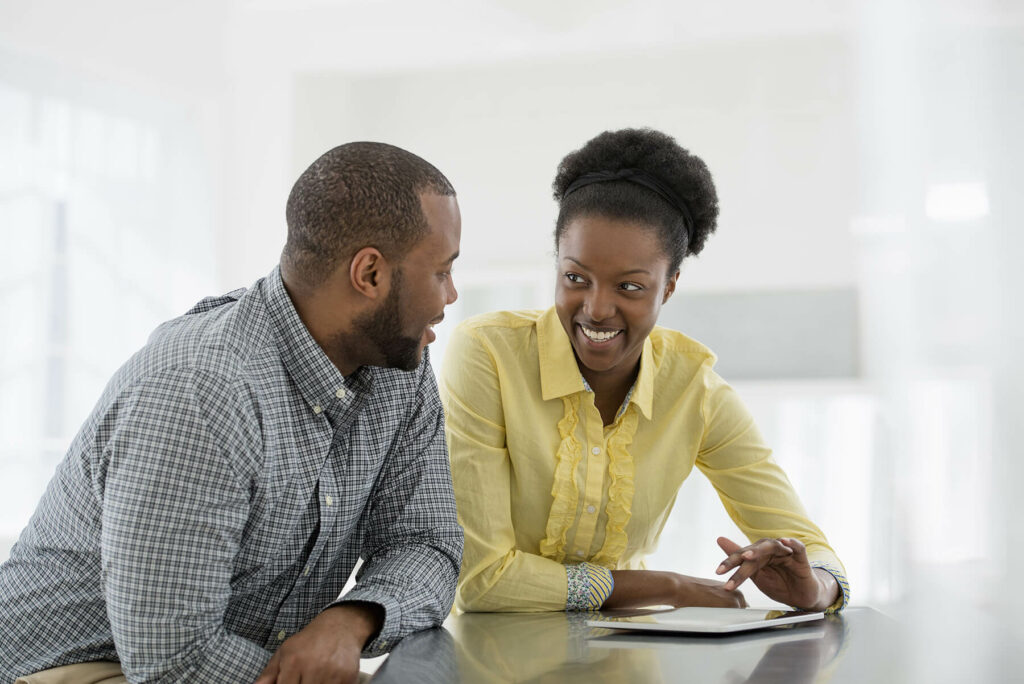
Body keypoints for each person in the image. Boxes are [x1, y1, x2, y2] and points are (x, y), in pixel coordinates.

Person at [0, 142, 465, 683]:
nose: (451, 295)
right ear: (370, 274)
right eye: (442, 272)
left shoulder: (398, 366)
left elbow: (427, 543)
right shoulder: (201, 390)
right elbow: (172, 663)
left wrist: (352, 617)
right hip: (71, 668)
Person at [441, 128, 849, 614]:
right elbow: (482, 581)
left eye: (630, 288)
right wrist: (669, 588)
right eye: (575, 278)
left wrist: (816, 588)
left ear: (669, 287)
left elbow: (809, 546)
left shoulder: (695, 390)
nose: (595, 309)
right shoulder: (488, 354)